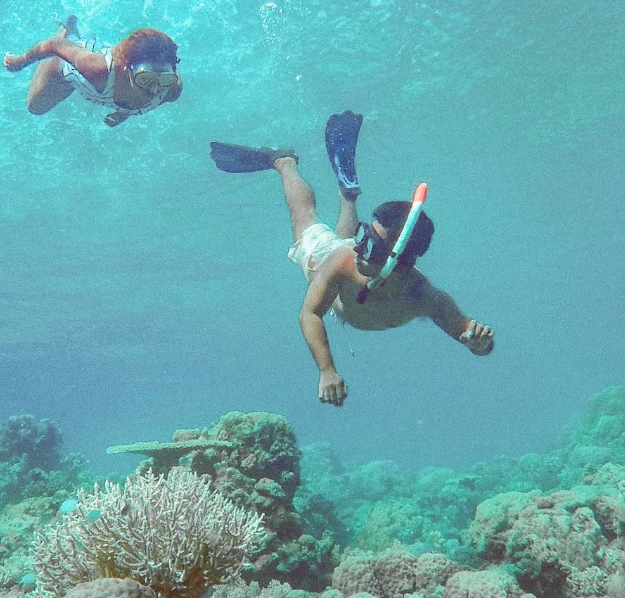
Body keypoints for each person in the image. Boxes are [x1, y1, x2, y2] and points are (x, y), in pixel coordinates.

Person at [210, 112, 494, 406]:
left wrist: (480, 344)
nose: (358, 248)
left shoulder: (426, 297)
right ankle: (284, 162)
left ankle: (348, 195)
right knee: (303, 219)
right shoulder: (343, 261)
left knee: (342, 243)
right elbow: (310, 313)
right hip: (325, 262)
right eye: (363, 235)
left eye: (368, 246)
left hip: (347, 278)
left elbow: (471, 337)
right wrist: (326, 370)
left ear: (399, 262)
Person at [3, 17, 182, 127]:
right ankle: (67, 31)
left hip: (103, 59)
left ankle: (85, 34)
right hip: (66, 67)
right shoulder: (96, 69)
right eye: (145, 78)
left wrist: (124, 112)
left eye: (164, 78)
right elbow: (53, 45)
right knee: (35, 108)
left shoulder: (170, 89)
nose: (154, 88)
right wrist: (20, 61)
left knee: (92, 45)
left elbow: (146, 90)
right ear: (127, 69)